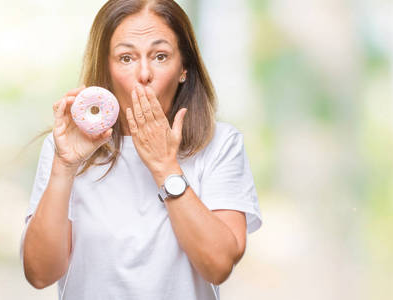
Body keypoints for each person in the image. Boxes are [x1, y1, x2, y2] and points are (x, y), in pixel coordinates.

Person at [19, 0, 262, 299]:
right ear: (105, 69)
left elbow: (218, 265)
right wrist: (64, 167)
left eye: (160, 56)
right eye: (126, 58)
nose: (144, 73)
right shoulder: (65, 148)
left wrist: (164, 166)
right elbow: (40, 274)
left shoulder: (221, 144)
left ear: (183, 67)